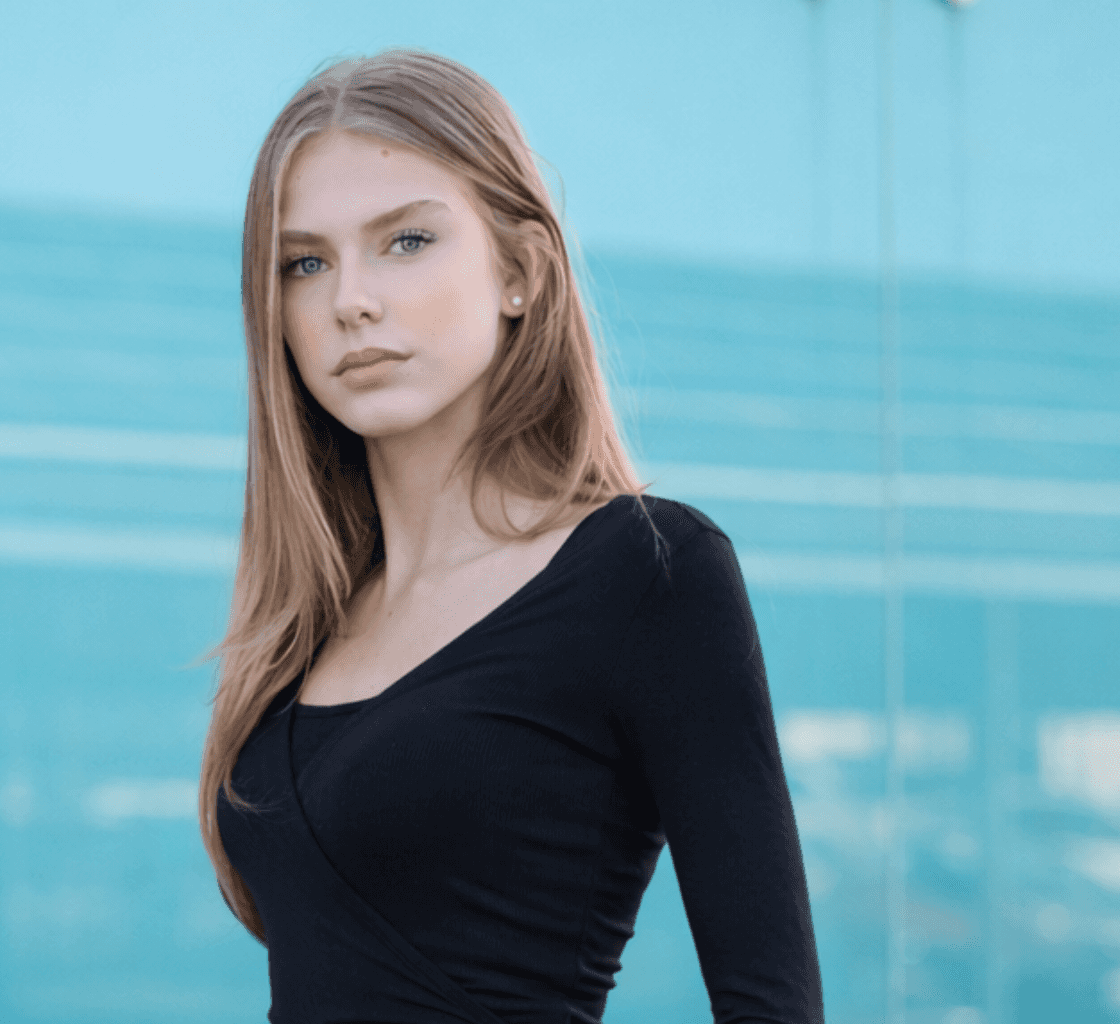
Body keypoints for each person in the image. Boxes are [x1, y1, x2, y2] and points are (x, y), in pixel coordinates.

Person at [191, 47, 823, 1024]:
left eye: (404, 241)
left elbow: (769, 1001)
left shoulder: (646, 573)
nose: (349, 298)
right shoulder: (308, 619)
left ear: (520, 271)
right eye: (304, 262)